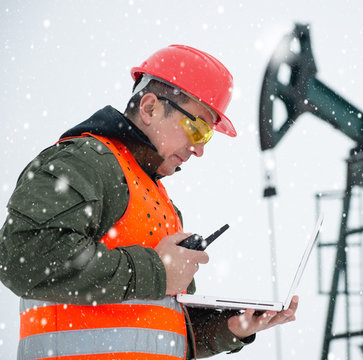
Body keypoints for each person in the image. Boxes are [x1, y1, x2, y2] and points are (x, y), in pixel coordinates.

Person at [0, 44, 299, 360]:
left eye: (206, 137)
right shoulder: (85, 163)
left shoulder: (159, 201)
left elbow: (158, 331)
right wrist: (157, 270)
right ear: (150, 108)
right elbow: (23, 258)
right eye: (197, 129)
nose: (199, 149)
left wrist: (232, 327)